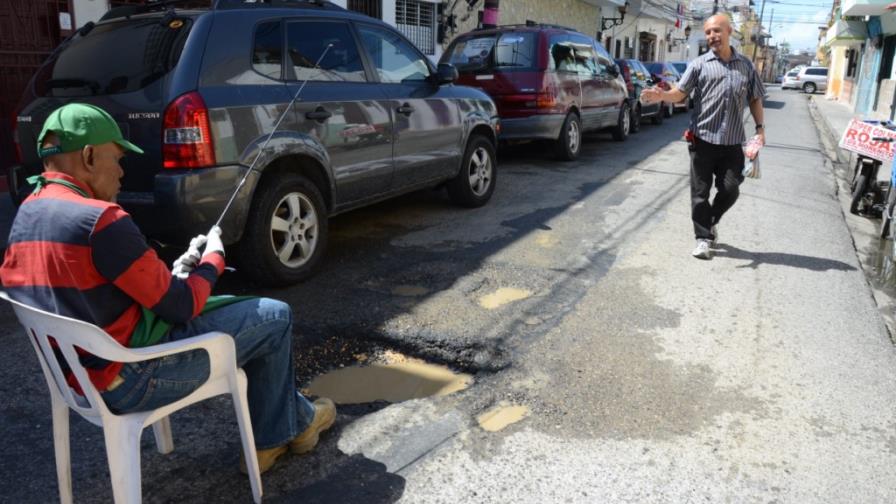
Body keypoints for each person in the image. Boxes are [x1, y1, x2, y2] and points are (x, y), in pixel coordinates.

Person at [0, 103, 334, 474]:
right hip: (132, 380)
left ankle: (287, 426)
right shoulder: (100, 220)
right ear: (89, 155)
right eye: (118, 158)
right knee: (274, 316)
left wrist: (180, 268)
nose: (122, 172)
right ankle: (281, 433)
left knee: (249, 320)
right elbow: (180, 307)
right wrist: (214, 259)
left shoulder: (27, 213)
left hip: (77, 382)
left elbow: (95, 291)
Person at [641, 13, 766, 260]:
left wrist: (760, 128)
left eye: (717, 31)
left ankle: (709, 221)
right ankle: (703, 238)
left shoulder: (746, 66)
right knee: (700, 193)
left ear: (730, 31)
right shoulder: (699, 65)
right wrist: (661, 96)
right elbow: (680, 93)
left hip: (732, 142)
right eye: (708, 32)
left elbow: (754, 98)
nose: (712, 36)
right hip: (702, 139)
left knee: (731, 189)